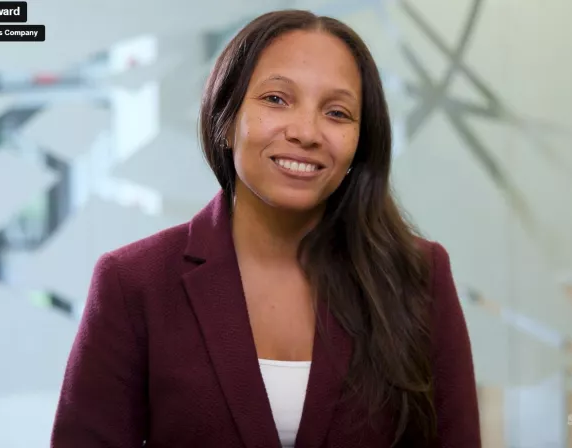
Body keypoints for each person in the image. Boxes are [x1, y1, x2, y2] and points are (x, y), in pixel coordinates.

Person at [51, 9, 480, 448]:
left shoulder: (416, 276)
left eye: (336, 112)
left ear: (359, 141)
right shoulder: (133, 282)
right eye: (277, 99)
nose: (306, 132)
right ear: (226, 121)